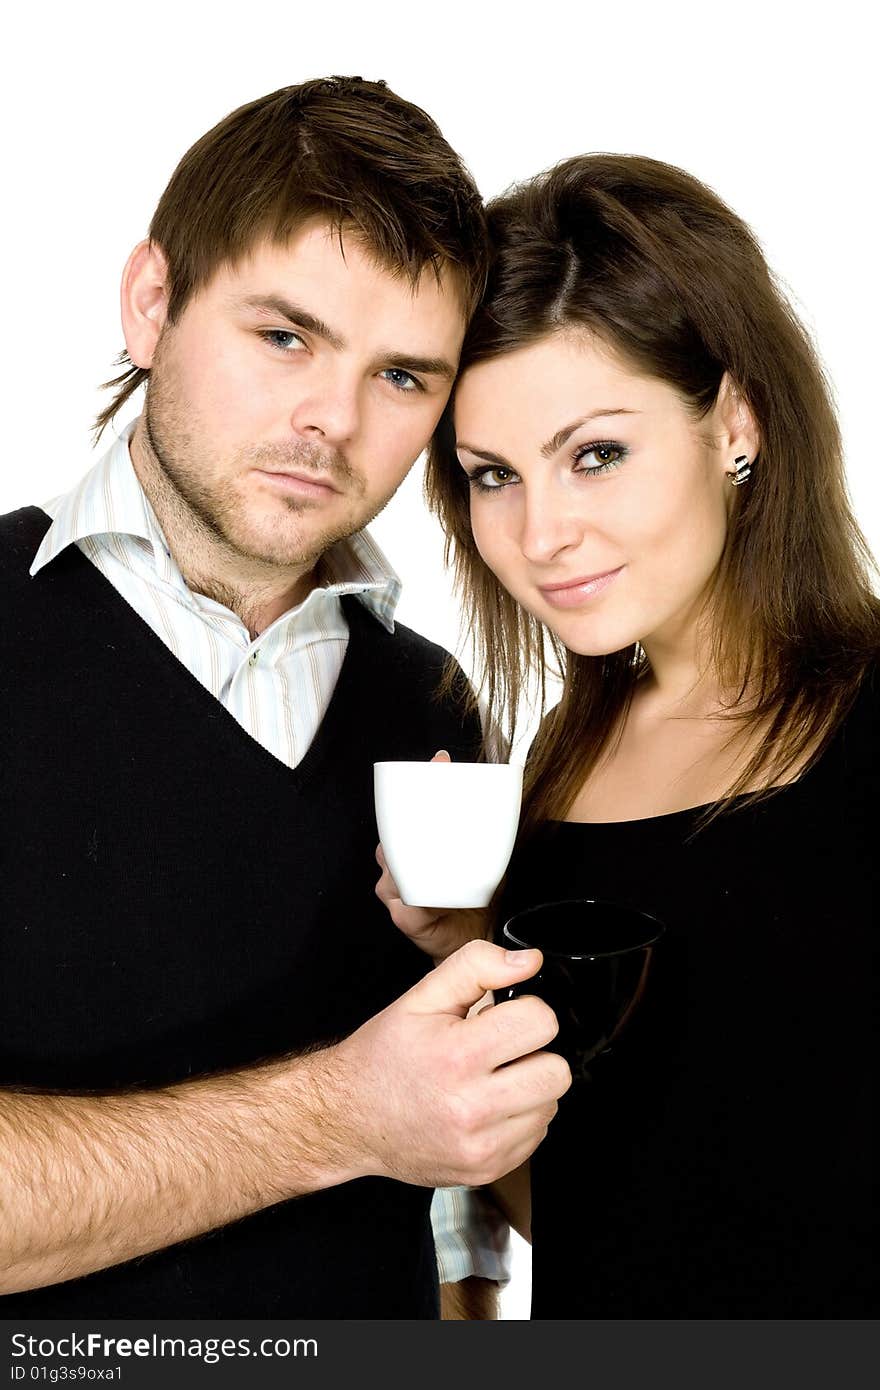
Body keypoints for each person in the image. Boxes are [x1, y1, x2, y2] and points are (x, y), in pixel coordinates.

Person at [0, 77, 572, 1319]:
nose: (332, 421)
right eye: (285, 336)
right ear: (153, 303)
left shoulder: (430, 706)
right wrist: (339, 1117)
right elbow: (382, 1120)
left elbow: (461, 1200)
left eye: (403, 377)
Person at [381, 153, 879, 1316]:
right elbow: (606, 1210)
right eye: (491, 475)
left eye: (593, 453)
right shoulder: (559, 763)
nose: (541, 533)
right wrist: (465, 959)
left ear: (736, 425)